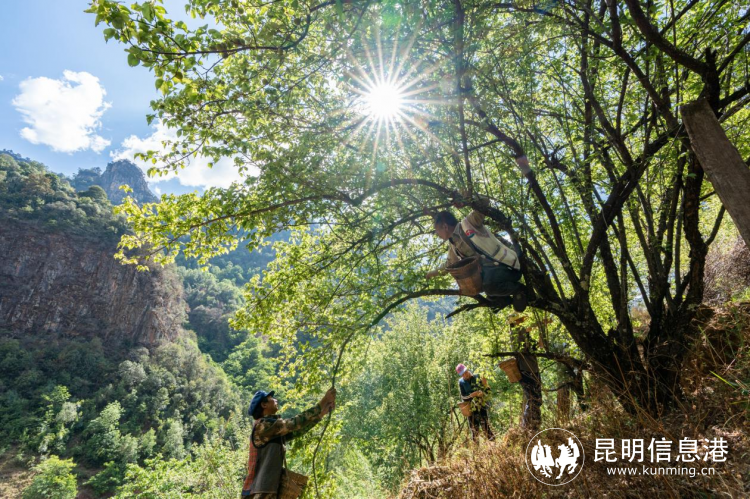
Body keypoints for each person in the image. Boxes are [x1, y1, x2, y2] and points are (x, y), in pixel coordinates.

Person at [425, 205, 527, 312]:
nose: (437, 234)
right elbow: (449, 265)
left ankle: (519, 290)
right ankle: (510, 298)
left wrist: (467, 200)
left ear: (445, 226)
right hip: (494, 275)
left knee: (489, 287)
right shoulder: (453, 245)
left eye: (437, 230)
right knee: (490, 295)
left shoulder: (469, 223)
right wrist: (432, 273)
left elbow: (483, 204)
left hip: (507, 266)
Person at [241, 388, 337, 498]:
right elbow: (294, 423)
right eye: (271, 398)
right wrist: (324, 401)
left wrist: (321, 414)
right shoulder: (264, 426)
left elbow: (298, 431)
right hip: (259, 491)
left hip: (263, 489)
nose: (275, 400)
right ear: (264, 405)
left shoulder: (272, 429)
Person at [509, 313, 542, 430]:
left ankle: (535, 424)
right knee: (533, 398)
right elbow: (523, 346)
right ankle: (527, 426)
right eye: (519, 320)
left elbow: (539, 346)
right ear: (515, 322)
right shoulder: (515, 333)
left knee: (537, 399)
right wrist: (540, 323)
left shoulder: (525, 334)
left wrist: (541, 333)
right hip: (525, 370)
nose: (522, 322)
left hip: (534, 369)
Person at [457, 363, 494, 440]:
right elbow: (463, 397)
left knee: (486, 427)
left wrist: (482, 392)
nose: (465, 375)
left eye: (466, 372)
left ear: (467, 370)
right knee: (474, 430)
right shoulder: (461, 382)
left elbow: (488, 391)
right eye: (463, 374)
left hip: (481, 406)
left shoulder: (478, 376)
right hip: (471, 408)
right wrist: (471, 395)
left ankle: (493, 443)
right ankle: (476, 447)